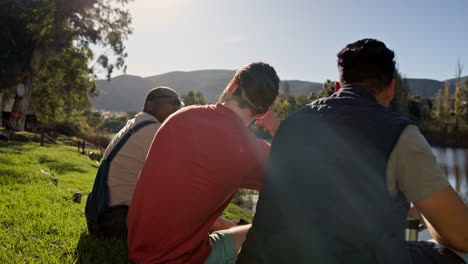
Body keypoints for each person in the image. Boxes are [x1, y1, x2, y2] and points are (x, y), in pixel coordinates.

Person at [237, 39, 468, 264]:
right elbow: (461, 237)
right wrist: (421, 214)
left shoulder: (292, 124)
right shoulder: (400, 133)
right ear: (391, 90)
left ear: (337, 88)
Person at [127, 62, 280, 264]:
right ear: (262, 113)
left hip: (137, 248)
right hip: (177, 259)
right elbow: (296, 182)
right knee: (270, 233)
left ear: (233, 84)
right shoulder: (250, 150)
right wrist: (277, 130)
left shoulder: (181, 115)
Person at [85, 86, 183, 237]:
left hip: (99, 215)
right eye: (173, 102)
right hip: (116, 221)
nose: (177, 108)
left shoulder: (135, 124)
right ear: (150, 105)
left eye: (179, 104)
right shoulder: (155, 131)